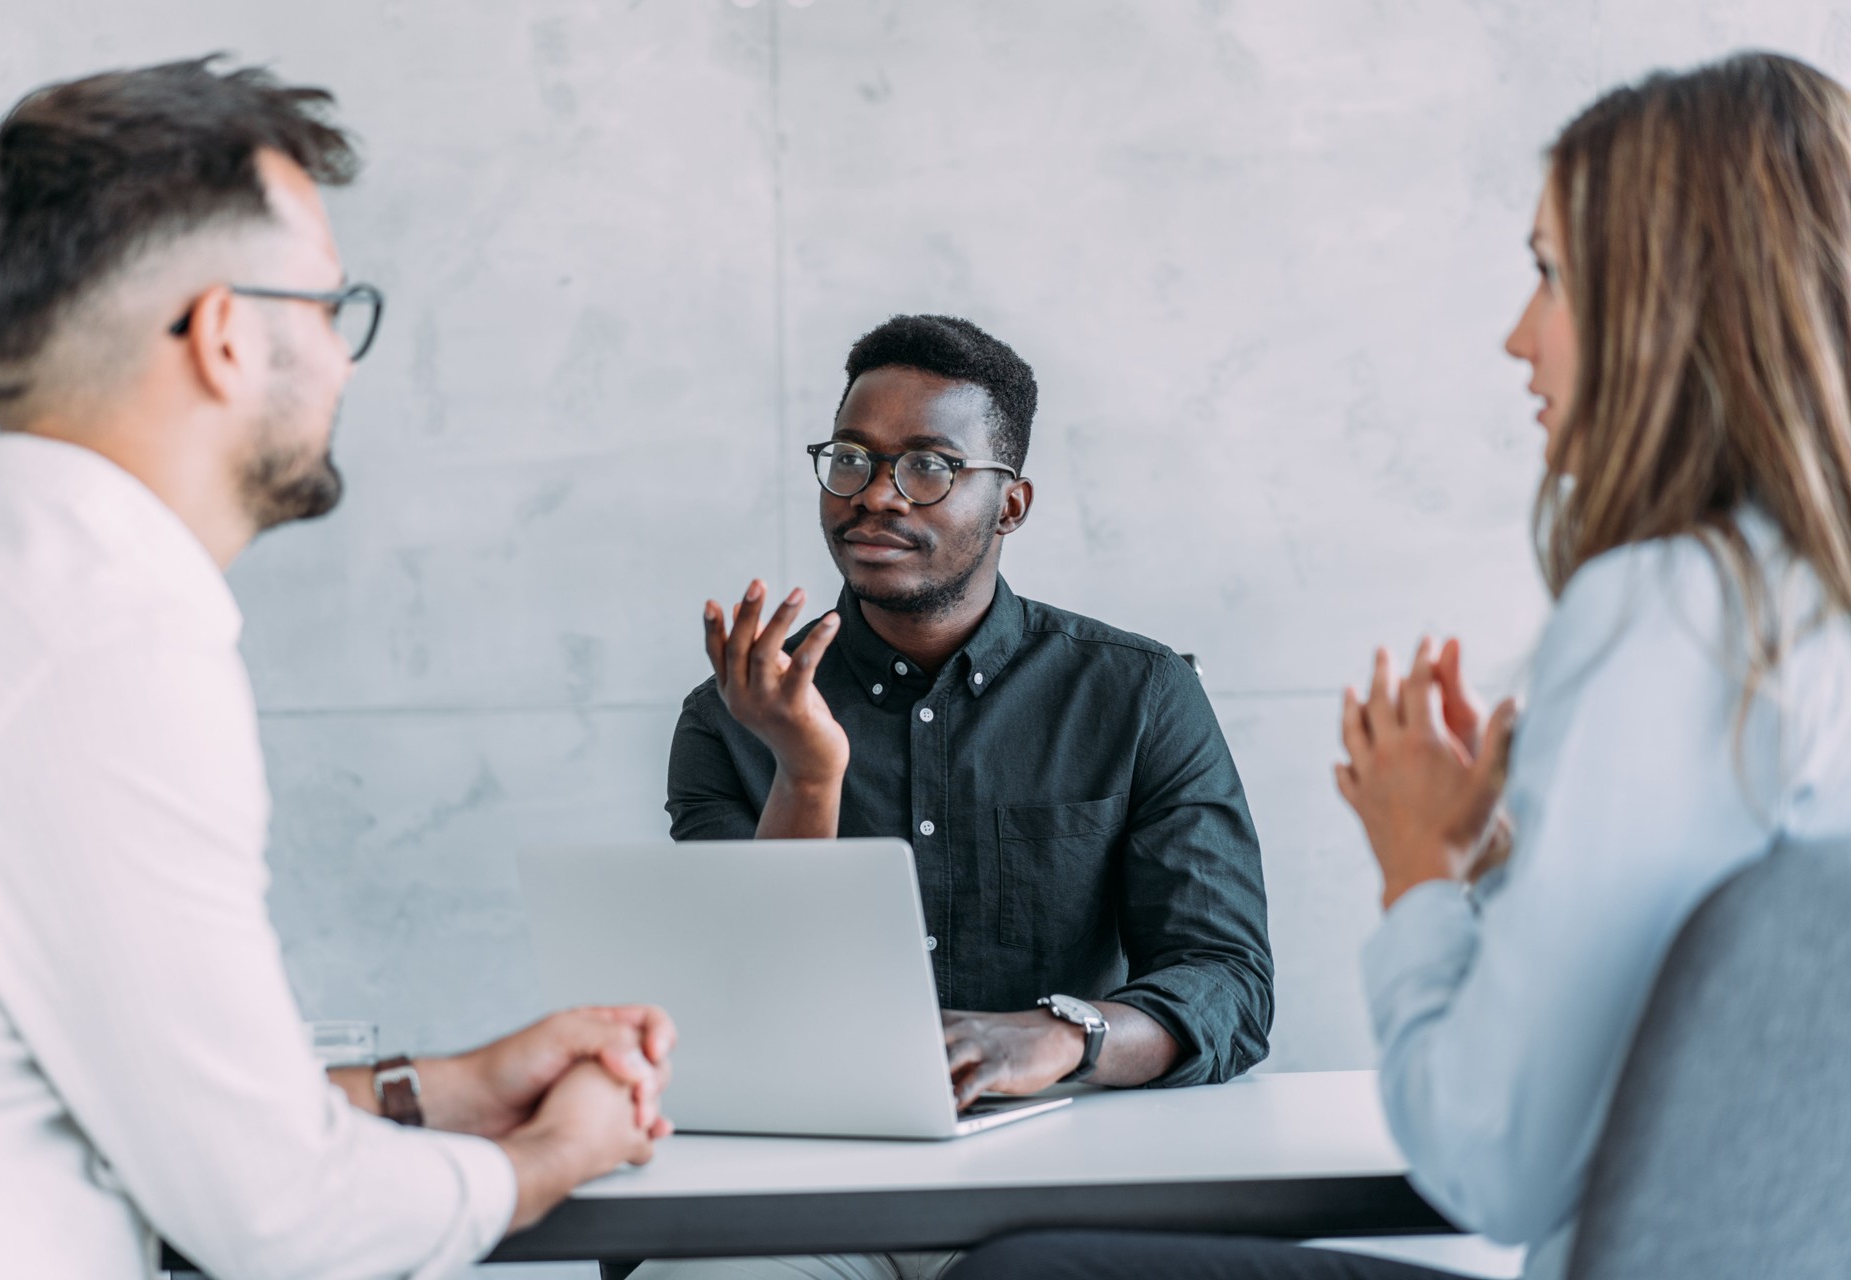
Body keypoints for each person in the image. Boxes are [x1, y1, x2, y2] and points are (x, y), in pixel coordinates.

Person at [950, 49, 1851, 1280]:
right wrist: (1515, 867)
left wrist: (1419, 866)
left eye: (1551, 275)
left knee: (1027, 1274)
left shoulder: (1672, 613)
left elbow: (1495, 1163)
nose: (1519, 337)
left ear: (1671, 294)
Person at [0, 59, 674, 1280]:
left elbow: (140, 1105)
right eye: (330, 307)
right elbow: (283, 1215)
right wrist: (555, 1153)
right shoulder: (110, 648)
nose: (344, 360)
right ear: (227, 336)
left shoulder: (1, 591)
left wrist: (443, 1086)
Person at [655, 315, 1274, 1280]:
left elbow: (1226, 982)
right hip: (804, 1185)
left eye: (929, 466)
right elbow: (744, 995)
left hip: (1056, 1173)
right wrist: (808, 773)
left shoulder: (1138, 694)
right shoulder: (734, 712)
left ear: (1010, 504)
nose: (875, 496)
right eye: (852, 459)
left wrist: (1063, 1036)